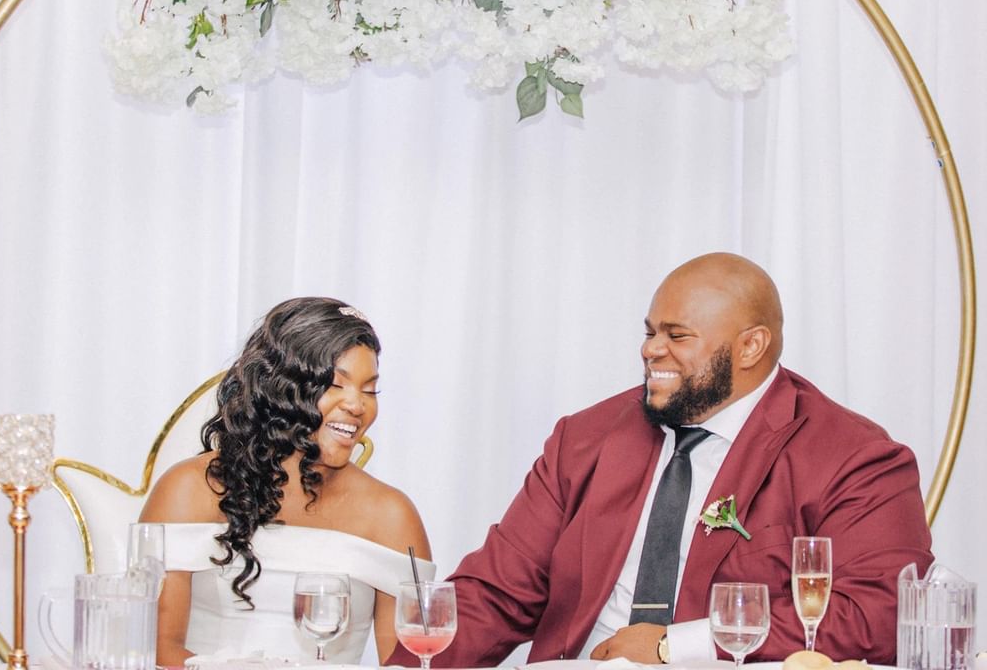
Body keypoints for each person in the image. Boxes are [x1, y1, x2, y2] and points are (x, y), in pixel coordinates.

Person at [389, 253, 933, 667]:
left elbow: (879, 613)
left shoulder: (854, 458)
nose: (651, 350)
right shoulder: (584, 438)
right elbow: (496, 593)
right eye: (650, 332)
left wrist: (676, 646)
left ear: (751, 347)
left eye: (677, 336)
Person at [141, 297, 433, 667]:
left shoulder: (391, 515)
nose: (358, 406)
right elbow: (153, 650)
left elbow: (411, 663)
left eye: (369, 390)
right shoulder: (190, 489)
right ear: (279, 389)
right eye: (336, 384)